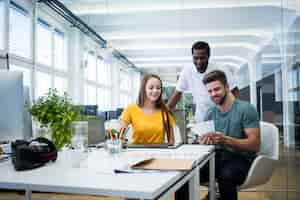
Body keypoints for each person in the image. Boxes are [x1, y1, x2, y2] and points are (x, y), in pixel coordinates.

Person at [176, 70, 260, 200]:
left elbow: (255, 145)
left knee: (225, 175)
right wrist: (203, 141)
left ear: (227, 87)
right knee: (185, 175)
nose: (213, 94)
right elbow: (207, 143)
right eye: (209, 91)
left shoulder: (246, 109)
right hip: (217, 157)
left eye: (216, 89)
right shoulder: (210, 113)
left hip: (241, 159)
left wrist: (225, 140)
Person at [167, 41, 239, 122]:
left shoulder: (220, 68)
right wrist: (164, 113)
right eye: (196, 58)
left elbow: (234, 91)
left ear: (208, 56)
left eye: (202, 58)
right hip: (202, 117)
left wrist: (236, 113)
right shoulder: (187, 71)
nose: (199, 62)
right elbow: (177, 94)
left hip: (223, 115)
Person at [120, 74, 175, 145]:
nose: (155, 91)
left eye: (158, 88)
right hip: (137, 153)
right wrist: (122, 140)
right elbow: (119, 135)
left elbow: (171, 141)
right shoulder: (131, 109)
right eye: (151, 88)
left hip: (159, 153)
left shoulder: (165, 111)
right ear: (144, 89)